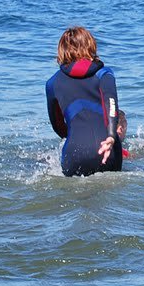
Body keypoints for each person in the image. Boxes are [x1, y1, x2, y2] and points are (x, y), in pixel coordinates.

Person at [45, 26, 128, 176]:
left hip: (74, 155)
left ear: (61, 51)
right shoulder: (104, 74)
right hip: (108, 153)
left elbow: (58, 126)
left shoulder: (52, 83)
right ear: (91, 46)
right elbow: (111, 103)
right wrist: (110, 136)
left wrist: (77, 138)